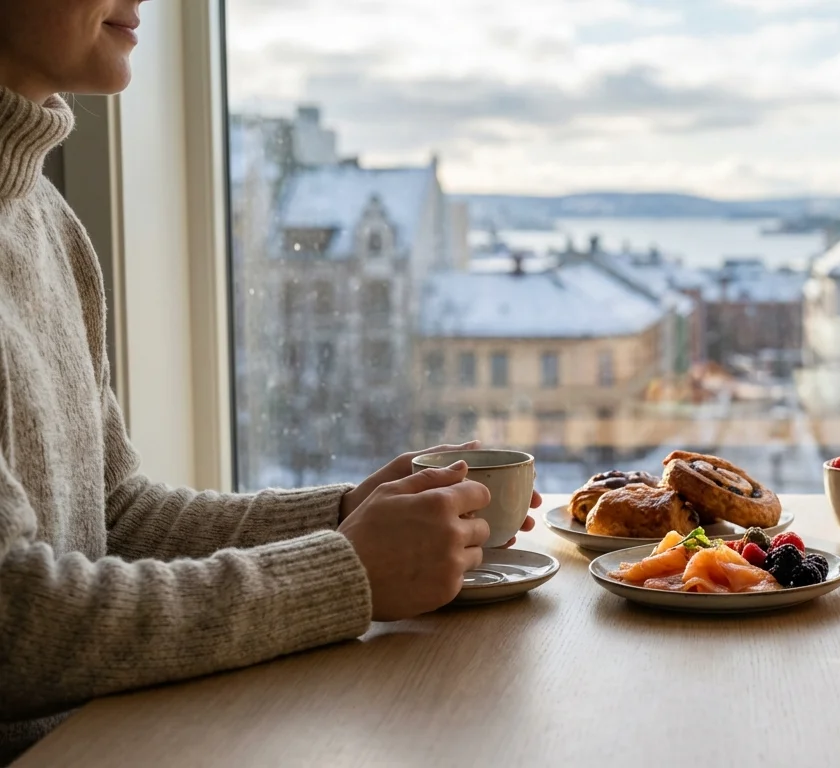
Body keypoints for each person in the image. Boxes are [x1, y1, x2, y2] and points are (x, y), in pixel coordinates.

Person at [0, 1, 540, 761]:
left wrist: (349, 511)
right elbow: (18, 624)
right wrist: (346, 570)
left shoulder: (43, 217)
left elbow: (116, 518)